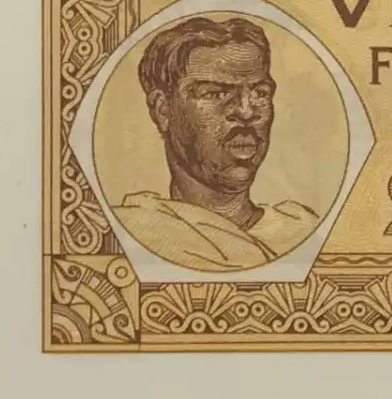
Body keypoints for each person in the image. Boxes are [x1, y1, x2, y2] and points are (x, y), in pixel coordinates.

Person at [114, 15, 319, 270]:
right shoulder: (130, 231)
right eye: (215, 93)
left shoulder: (306, 231)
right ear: (163, 110)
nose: (247, 111)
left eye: (260, 93)